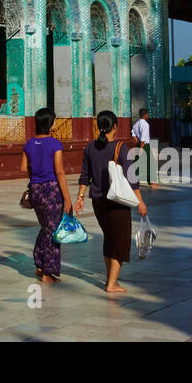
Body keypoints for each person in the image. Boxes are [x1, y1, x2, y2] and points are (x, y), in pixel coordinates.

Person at [75, 110, 147, 294]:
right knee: (120, 241)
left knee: (109, 238)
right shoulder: (120, 148)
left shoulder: (90, 147)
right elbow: (132, 180)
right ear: (114, 126)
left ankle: (110, 279)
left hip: (98, 202)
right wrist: (140, 202)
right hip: (117, 202)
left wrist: (80, 198)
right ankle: (112, 283)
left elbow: (85, 176)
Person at [20, 107, 74, 282]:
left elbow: (22, 167)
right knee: (53, 231)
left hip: (36, 189)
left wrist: (35, 171)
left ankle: (40, 262)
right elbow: (60, 172)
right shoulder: (54, 144)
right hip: (51, 190)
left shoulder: (29, 144)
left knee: (46, 227)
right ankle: (47, 272)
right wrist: (67, 198)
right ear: (50, 124)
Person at [132, 108, 158, 188]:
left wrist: (137, 142)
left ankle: (133, 181)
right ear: (146, 115)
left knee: (136, 163)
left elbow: (133, 134)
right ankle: (152, 183)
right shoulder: (145, 124)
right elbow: (143, 137)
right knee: (150, 163)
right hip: (144, 146)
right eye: (148, 114)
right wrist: (141, 148)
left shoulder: (136, 124)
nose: (148, 116)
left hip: (138, 144)